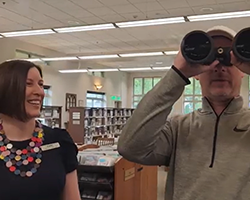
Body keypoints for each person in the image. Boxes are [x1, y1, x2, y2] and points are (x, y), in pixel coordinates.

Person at [117, 25, 250, 200]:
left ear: (242, 71)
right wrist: (177, 74)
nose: (219, 67)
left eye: (227, 58)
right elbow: (130, 148)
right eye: (210, 59)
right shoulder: (177, 128)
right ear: (197, 73)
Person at [0, 60, 81, 200]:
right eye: (28, 84)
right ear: (6, 88)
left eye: (41, 84)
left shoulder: (60, 141)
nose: (40, 92)